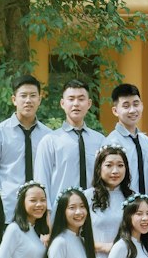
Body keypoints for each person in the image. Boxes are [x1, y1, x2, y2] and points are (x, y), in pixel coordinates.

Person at [0, 75, 49, 220]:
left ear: (39, 100)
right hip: (7, 212)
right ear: (14, 100)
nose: (28, 100)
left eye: (33, 96)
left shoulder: (49, 137)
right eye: (23, 96)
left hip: (40, 213)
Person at [35, 81, 105, 214]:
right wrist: (46, 218)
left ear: (89, 103)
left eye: (81, 99)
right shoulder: (50, 141)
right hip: (60, 215)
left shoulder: (100, 140)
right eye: (71, 99)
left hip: (94, 214)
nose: (76, 104)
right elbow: (41, 184)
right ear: (62, 103)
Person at [104, 82, 148, 194]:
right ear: (115, 111)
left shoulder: (147, 141)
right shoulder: (111, 143)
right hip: (123, 205)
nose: (132, 110)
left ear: (142, 105)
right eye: (126, 106)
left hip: (147, 206)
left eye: (136, 104)